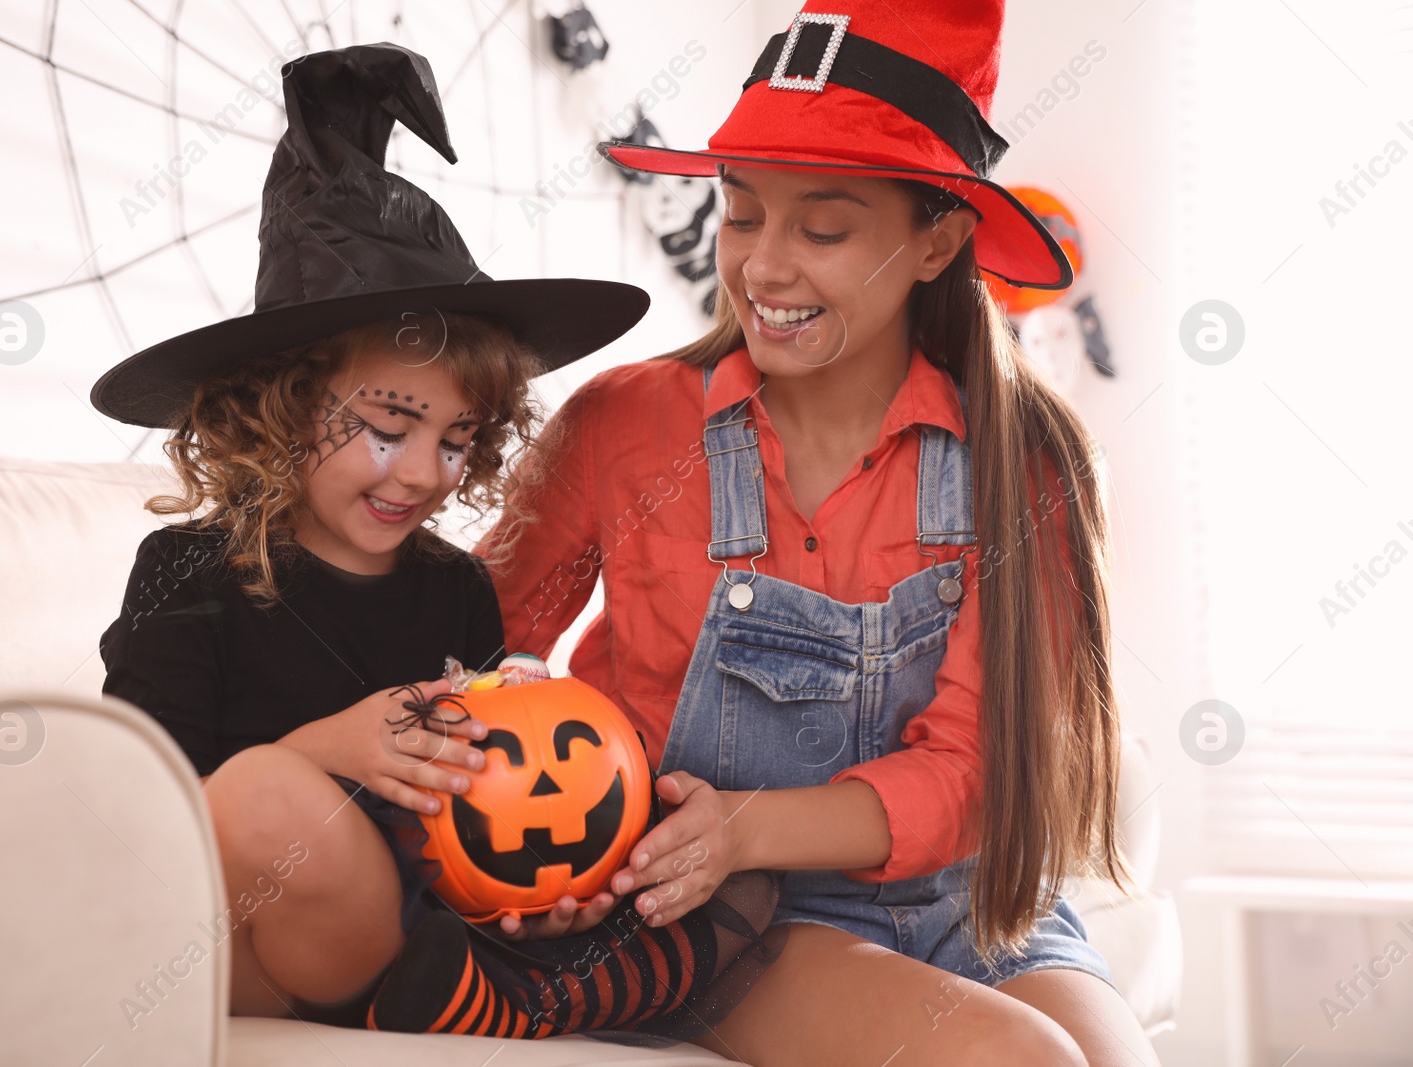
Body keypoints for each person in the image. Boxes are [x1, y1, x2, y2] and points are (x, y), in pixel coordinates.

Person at [474, 2, 1164, 1064]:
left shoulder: (1023, 462)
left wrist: (742, 818)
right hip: (730, 920)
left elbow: (972, 771)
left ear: (936, 237)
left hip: (967, 903)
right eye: (741, 214)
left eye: (823, 228)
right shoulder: (623, 426)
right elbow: (471, 650)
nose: (761, 265)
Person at [92, 43, 785, 1045]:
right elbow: (140, 815)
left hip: (434, 922)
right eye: (387, 427)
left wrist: (553, 881)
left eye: (456, 441)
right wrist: (328, 748)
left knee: (737, 863)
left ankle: (525, 979)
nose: (422, 472)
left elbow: (481, 800)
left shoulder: (455, 588)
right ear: (282, 406)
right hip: (255, 922)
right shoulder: (188, 573)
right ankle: (508, 987)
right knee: (266, 794)